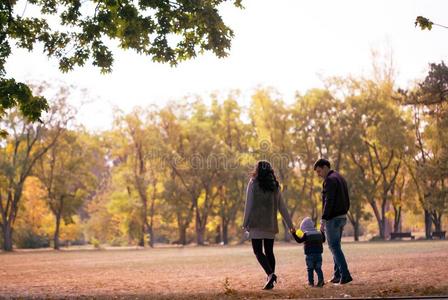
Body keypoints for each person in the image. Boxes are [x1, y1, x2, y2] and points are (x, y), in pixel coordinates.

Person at [242, 160, 295, 290]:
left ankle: (270, 275)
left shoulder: (253, 183)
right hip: (270, 225)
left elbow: (248, 205)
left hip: (256, 224)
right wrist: (290, 225)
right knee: (269, 251)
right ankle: (270, 279)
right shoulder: (275, 186)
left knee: (258, 251)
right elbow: (282, 207)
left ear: (258, 170)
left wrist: (245, 223)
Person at [314, 158, 353, 284]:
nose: (319, 175)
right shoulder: (340, 177)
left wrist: (323, 219)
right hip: (342, 217)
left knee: (334, 247)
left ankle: (345, 275)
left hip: (333, 218)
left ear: (325, 167)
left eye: (319, 171)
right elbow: (347, 198)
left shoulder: (329, 180)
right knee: (337, 246)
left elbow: (328, 201)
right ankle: (337, 274)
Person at [291, 217, 326, 287]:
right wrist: (322, 232)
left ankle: (311, 283)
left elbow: (299, 240)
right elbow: (323, 240)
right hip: (319, 254)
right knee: (318, 268)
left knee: (310, 269)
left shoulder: (306, 234)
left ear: (304, 227)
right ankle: (321, 280)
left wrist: (294, 233)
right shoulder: (319, 233)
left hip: (309, 254)